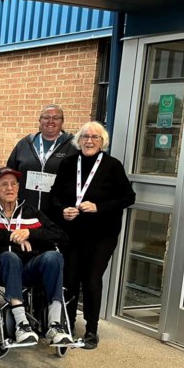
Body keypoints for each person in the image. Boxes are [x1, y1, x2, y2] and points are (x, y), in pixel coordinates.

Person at [51, 121, 135, 349]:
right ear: (79, 141)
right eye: (85, 137)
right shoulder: (68, 164)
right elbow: (55, 196)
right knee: (69, 278)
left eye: (94, 137)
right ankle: (67, 325)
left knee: (91, 279)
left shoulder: (112, 165)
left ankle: (91, 329)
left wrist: (99, 207)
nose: (89, 141)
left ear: (102, 141)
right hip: (72, 233)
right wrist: (62, 210)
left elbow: (128, 197)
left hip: (102, 234)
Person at [0, 167, 72, 345]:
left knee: (54, 257)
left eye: (13, 184)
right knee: (10, 257)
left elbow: (62, 236)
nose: (10, 188)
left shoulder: (31, 212)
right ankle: (22, 324)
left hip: (29, 269)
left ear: (18, 187)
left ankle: (55, 325)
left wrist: (30, 233)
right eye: (4, 184)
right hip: (0, 270)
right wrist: (9, 236)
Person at [6, 104, 77, 221]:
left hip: (57, 215)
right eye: (46, 117)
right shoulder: (25, 144)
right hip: (24, 212)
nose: (51, 121)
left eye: (56, 118)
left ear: (62, 121)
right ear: (40, 120)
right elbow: (10, 173)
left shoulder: (73, 146)